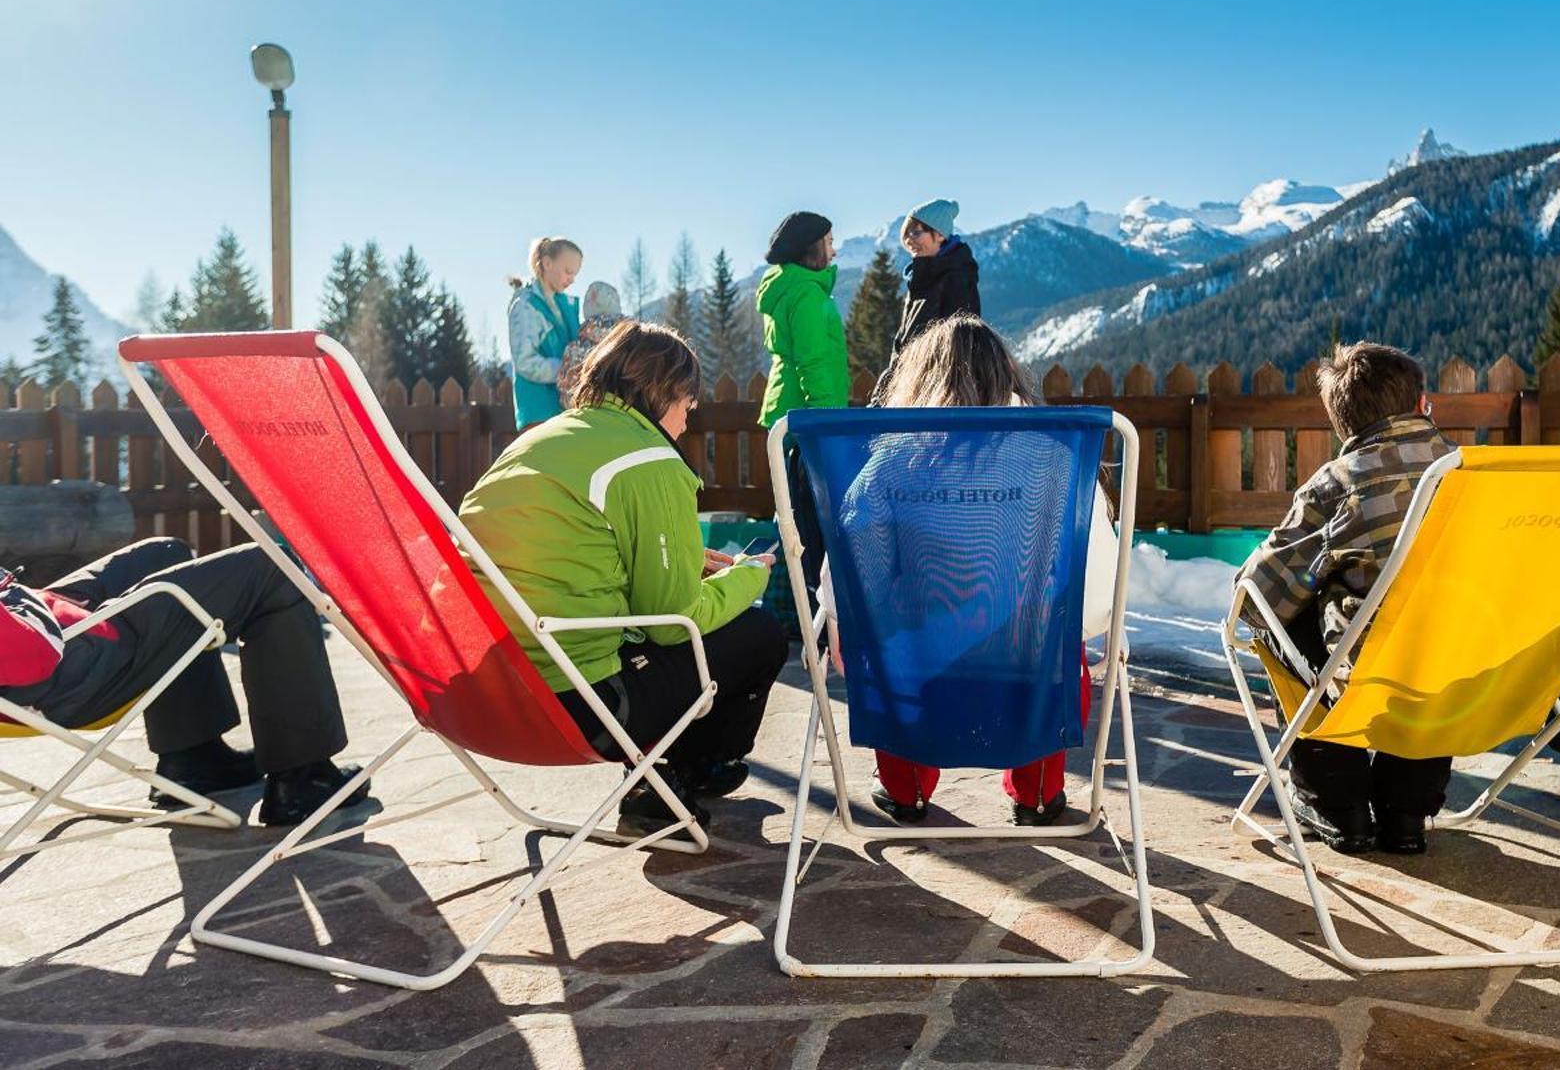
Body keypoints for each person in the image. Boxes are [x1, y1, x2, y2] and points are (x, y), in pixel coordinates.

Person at [460, 320, 787, 834]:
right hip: (583, 707)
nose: (689, 416)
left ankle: (664, 778)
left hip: (487, 694)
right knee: (757, 634)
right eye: (688, 401)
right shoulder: (652, 461)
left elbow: (568, 550)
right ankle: (682, 774)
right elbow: (674, 621)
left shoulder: (536, 443)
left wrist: (682, 555)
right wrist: (748, 577)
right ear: (664, 393)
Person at [823, 313, 1119, 827]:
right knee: (1055, 641)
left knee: (887, 640)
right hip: (1026, 666)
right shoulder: (1054, 458)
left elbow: (854, 567)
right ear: (1006, 376)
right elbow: (1096, 585)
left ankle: (906, 789)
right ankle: (1039, 795)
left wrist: (840, 623)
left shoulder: (892, 459)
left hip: (923, 666)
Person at [1232, 342, 1455, 855]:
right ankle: (1407, 808)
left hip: (1376, 671)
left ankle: (1337, 801)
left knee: (1285, 613)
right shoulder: (1471, 476)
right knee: (1435, 621)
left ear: (1342, 425)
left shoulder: (1339, 484)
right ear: (1423, 405)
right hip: (1474, 666)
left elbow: (1255, 593)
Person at [1, 539, 366, 827]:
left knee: (163, 554)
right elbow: (32, 656)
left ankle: (194, 756)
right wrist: (20, 600)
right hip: (75, 668)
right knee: (274, 568)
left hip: (51, 636)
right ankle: (303, 778)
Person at [756, 211, 849, 614]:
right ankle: (818, 615)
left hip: (787, 409)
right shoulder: (808, 294)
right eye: (828, 241)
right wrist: (826, 422)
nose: (834, 248)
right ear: (811, 247)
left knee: (794, 515)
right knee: (814, 523)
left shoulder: (787, 286)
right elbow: (814, 362)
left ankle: (800, 609)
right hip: (808, 418)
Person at [507, 236, 584, 429]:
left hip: (565, 410)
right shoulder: (526, 306)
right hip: (539, 411)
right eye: (568, 272)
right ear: (548, 263)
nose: (572, 279)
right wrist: (565, 371)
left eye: (575, 274)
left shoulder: (566, 307)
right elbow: (525, 361)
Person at [891, 198, 981, 360]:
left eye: (916, 233)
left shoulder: (956, 277)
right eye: (906, 234)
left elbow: (960, 345)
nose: (909, 240)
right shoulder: (919, 278)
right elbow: (903, 340)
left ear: (940, 234)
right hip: (910, 377)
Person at [558, 281, 627, 406]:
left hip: (588, 417)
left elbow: (567, 394)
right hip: (628, 417)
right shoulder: (632, 343)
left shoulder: (575, 349)